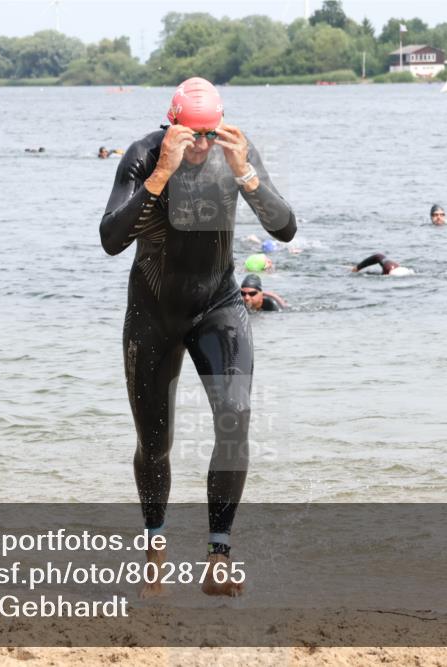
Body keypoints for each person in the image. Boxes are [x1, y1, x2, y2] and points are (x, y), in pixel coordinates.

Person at [100, 76, 296, 598]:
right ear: (173, 125)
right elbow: (111, 239)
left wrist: (246, 175)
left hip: (218, 306)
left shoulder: (235, 152)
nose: (202, 145)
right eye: (192, 134)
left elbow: (285, 229)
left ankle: (218, 557)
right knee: (154, 443)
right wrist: (161, 173)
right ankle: (155, 549)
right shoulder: (144, 156)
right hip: (153, 314)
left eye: (210, 133)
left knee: (236, 416)